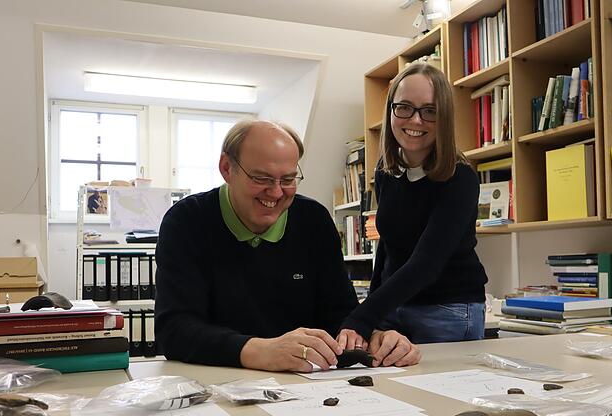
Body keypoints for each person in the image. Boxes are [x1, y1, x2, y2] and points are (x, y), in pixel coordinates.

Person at [154, 119, 421, 372]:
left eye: (288, 179)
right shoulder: (186, 221)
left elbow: (340, 313)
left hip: (307, 387)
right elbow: (174, 330)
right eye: (262, 178)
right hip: (216, 383)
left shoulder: (313, 220)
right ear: (227, 168)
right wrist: (261, 351)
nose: (276, 192)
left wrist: (373, 336)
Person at [338, 63, 488, 348]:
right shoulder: (386, 170)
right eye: (404, 107)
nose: (416, 121)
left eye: (429, 111)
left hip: (448, 310)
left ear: (444, 117)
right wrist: (374, 308)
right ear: (391, 110)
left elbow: (426, 264)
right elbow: (388, 245)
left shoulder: (460, 177)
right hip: (396, 308)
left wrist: (361, 317)